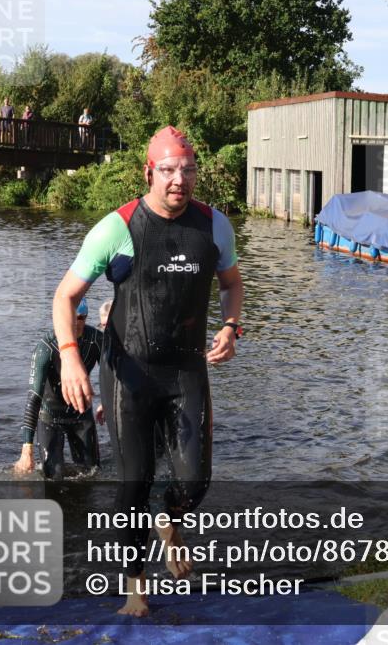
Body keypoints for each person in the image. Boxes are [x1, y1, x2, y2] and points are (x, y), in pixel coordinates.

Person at [53, 125, 243, 616]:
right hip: (129, 372)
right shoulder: (118, 226)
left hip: (185, 370)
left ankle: (171, 521)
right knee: (133, 483)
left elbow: (231, 285)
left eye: (188, 169)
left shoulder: (214, 225)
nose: (180, 179)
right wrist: (72, 355)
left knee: (195, 481)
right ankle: (136, 589)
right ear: (149, 172)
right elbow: (65, 296)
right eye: (168, 170)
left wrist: (231, 327)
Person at [13, 299, 103, 478]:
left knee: (91, 474)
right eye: (72, 318)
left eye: (82, 318)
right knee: (54, 477)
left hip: (81, 414)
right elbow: (34, 397)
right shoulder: (46, 347)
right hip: (50, 416)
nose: (77, 323)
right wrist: (26, 448)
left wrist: (107, 402)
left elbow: (112, 374)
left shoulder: (96, 339)